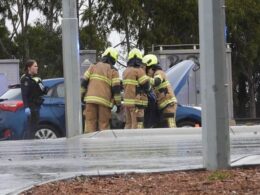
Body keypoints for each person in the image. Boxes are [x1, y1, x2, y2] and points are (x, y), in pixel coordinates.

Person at [81, 47, 121, 133]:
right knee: (103, 126)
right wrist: (118, 104)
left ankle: (88, 145)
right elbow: (116, 89)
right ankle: (102, 145)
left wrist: (81, 97)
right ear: (114, 59)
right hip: (104, 102)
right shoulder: (113, 71)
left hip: (90, 101)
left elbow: (83, 82)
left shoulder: (93, 66)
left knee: (89, 124)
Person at [142, 54, 178, 128]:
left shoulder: (159, 72)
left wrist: (144, 78)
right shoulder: (153, 76)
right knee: (164, 127)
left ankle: (175, 139)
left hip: (169, 104)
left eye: (146, 68)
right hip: (164, 106)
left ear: (150, 67)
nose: (145, 71)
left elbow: (157, 81)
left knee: (171, 127)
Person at [123, 48, 150, 129]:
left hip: (127, 103)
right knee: (136, 125)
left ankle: (125, 140)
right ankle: (135, 141)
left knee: (128, 124)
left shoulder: (125, 71)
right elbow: (147, 86)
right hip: (136, 103)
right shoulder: (139, 71)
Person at [20, 59, 47, 138]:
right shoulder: (25, 79)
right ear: (29, 68)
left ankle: (32, 144)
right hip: (30, 107)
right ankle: (30, 145)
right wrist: (26, 107)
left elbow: (42, 92)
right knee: (31, 128)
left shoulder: (36, 79)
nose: (37, 68)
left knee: (35, 127)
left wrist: (43, 87)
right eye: (35, 66)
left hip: (37, 106)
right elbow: (24, 94)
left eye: (37, 66)